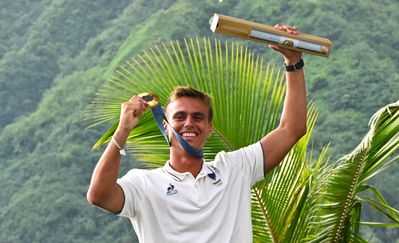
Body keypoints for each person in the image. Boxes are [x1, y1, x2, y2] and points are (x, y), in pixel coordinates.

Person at [87, 24, 307, 243]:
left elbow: (292, 129)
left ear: (210, 128)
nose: (189, 123)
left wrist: (293, 62)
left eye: (198, 117)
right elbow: (99, 196)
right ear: (166, 126)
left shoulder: (234, 169)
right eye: (180, 117)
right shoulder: (144, 184)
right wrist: (122, 131)